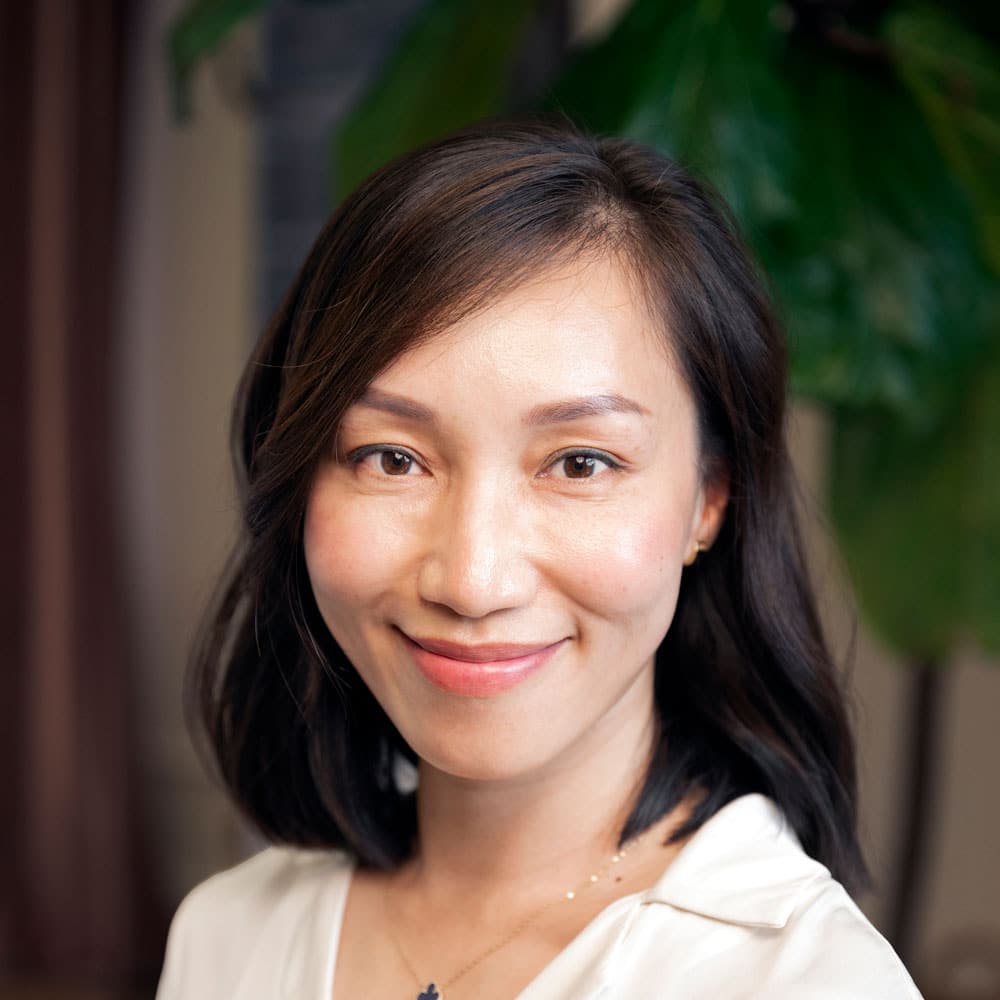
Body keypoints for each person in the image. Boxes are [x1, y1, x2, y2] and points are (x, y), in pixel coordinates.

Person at [156, 116, 922, 999]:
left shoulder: (799, 979)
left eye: (580, 463)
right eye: (393, 458)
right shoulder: (230, 937)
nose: (473, 581)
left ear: (709, 499)